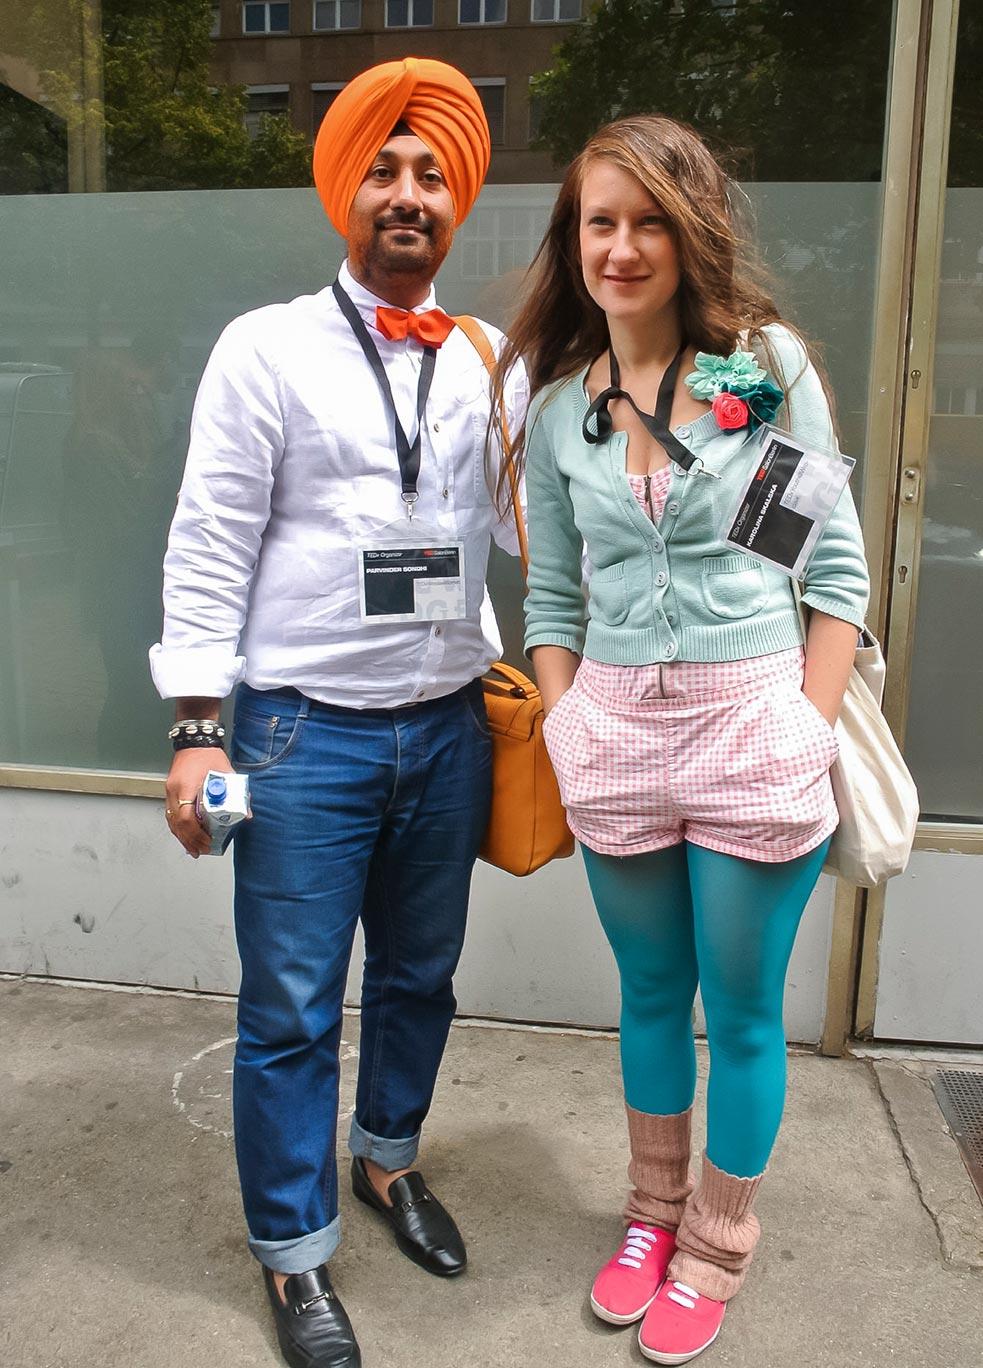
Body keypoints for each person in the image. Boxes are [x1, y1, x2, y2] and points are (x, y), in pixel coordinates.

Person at [149, 58, 525, 1368]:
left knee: (419, 979)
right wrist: (197, 728)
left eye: (430, 173)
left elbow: (530, 528)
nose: (408, 193)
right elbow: (208, 544)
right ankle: (294, 1257)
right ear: (343, 190)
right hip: (300, 737)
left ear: (457, 198)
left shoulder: (490, 362)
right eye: (384, 167)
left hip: (445, 728)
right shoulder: (264, 347)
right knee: (295, 1009)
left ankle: (386, 1163)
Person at [491, 115, 869, 1365]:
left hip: (750, 719)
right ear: (573, 238)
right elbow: (549, 599)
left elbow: (828, 567)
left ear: (688, 231)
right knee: (650, 993)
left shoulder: (753, 372)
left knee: (742, 1010)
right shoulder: (555, 411)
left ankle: (715, 1238)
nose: (622, 246)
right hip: (615, 734)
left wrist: (795, 726)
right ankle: (649, 1217)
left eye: (649, 219)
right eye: (600, 221)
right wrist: (572, 708)